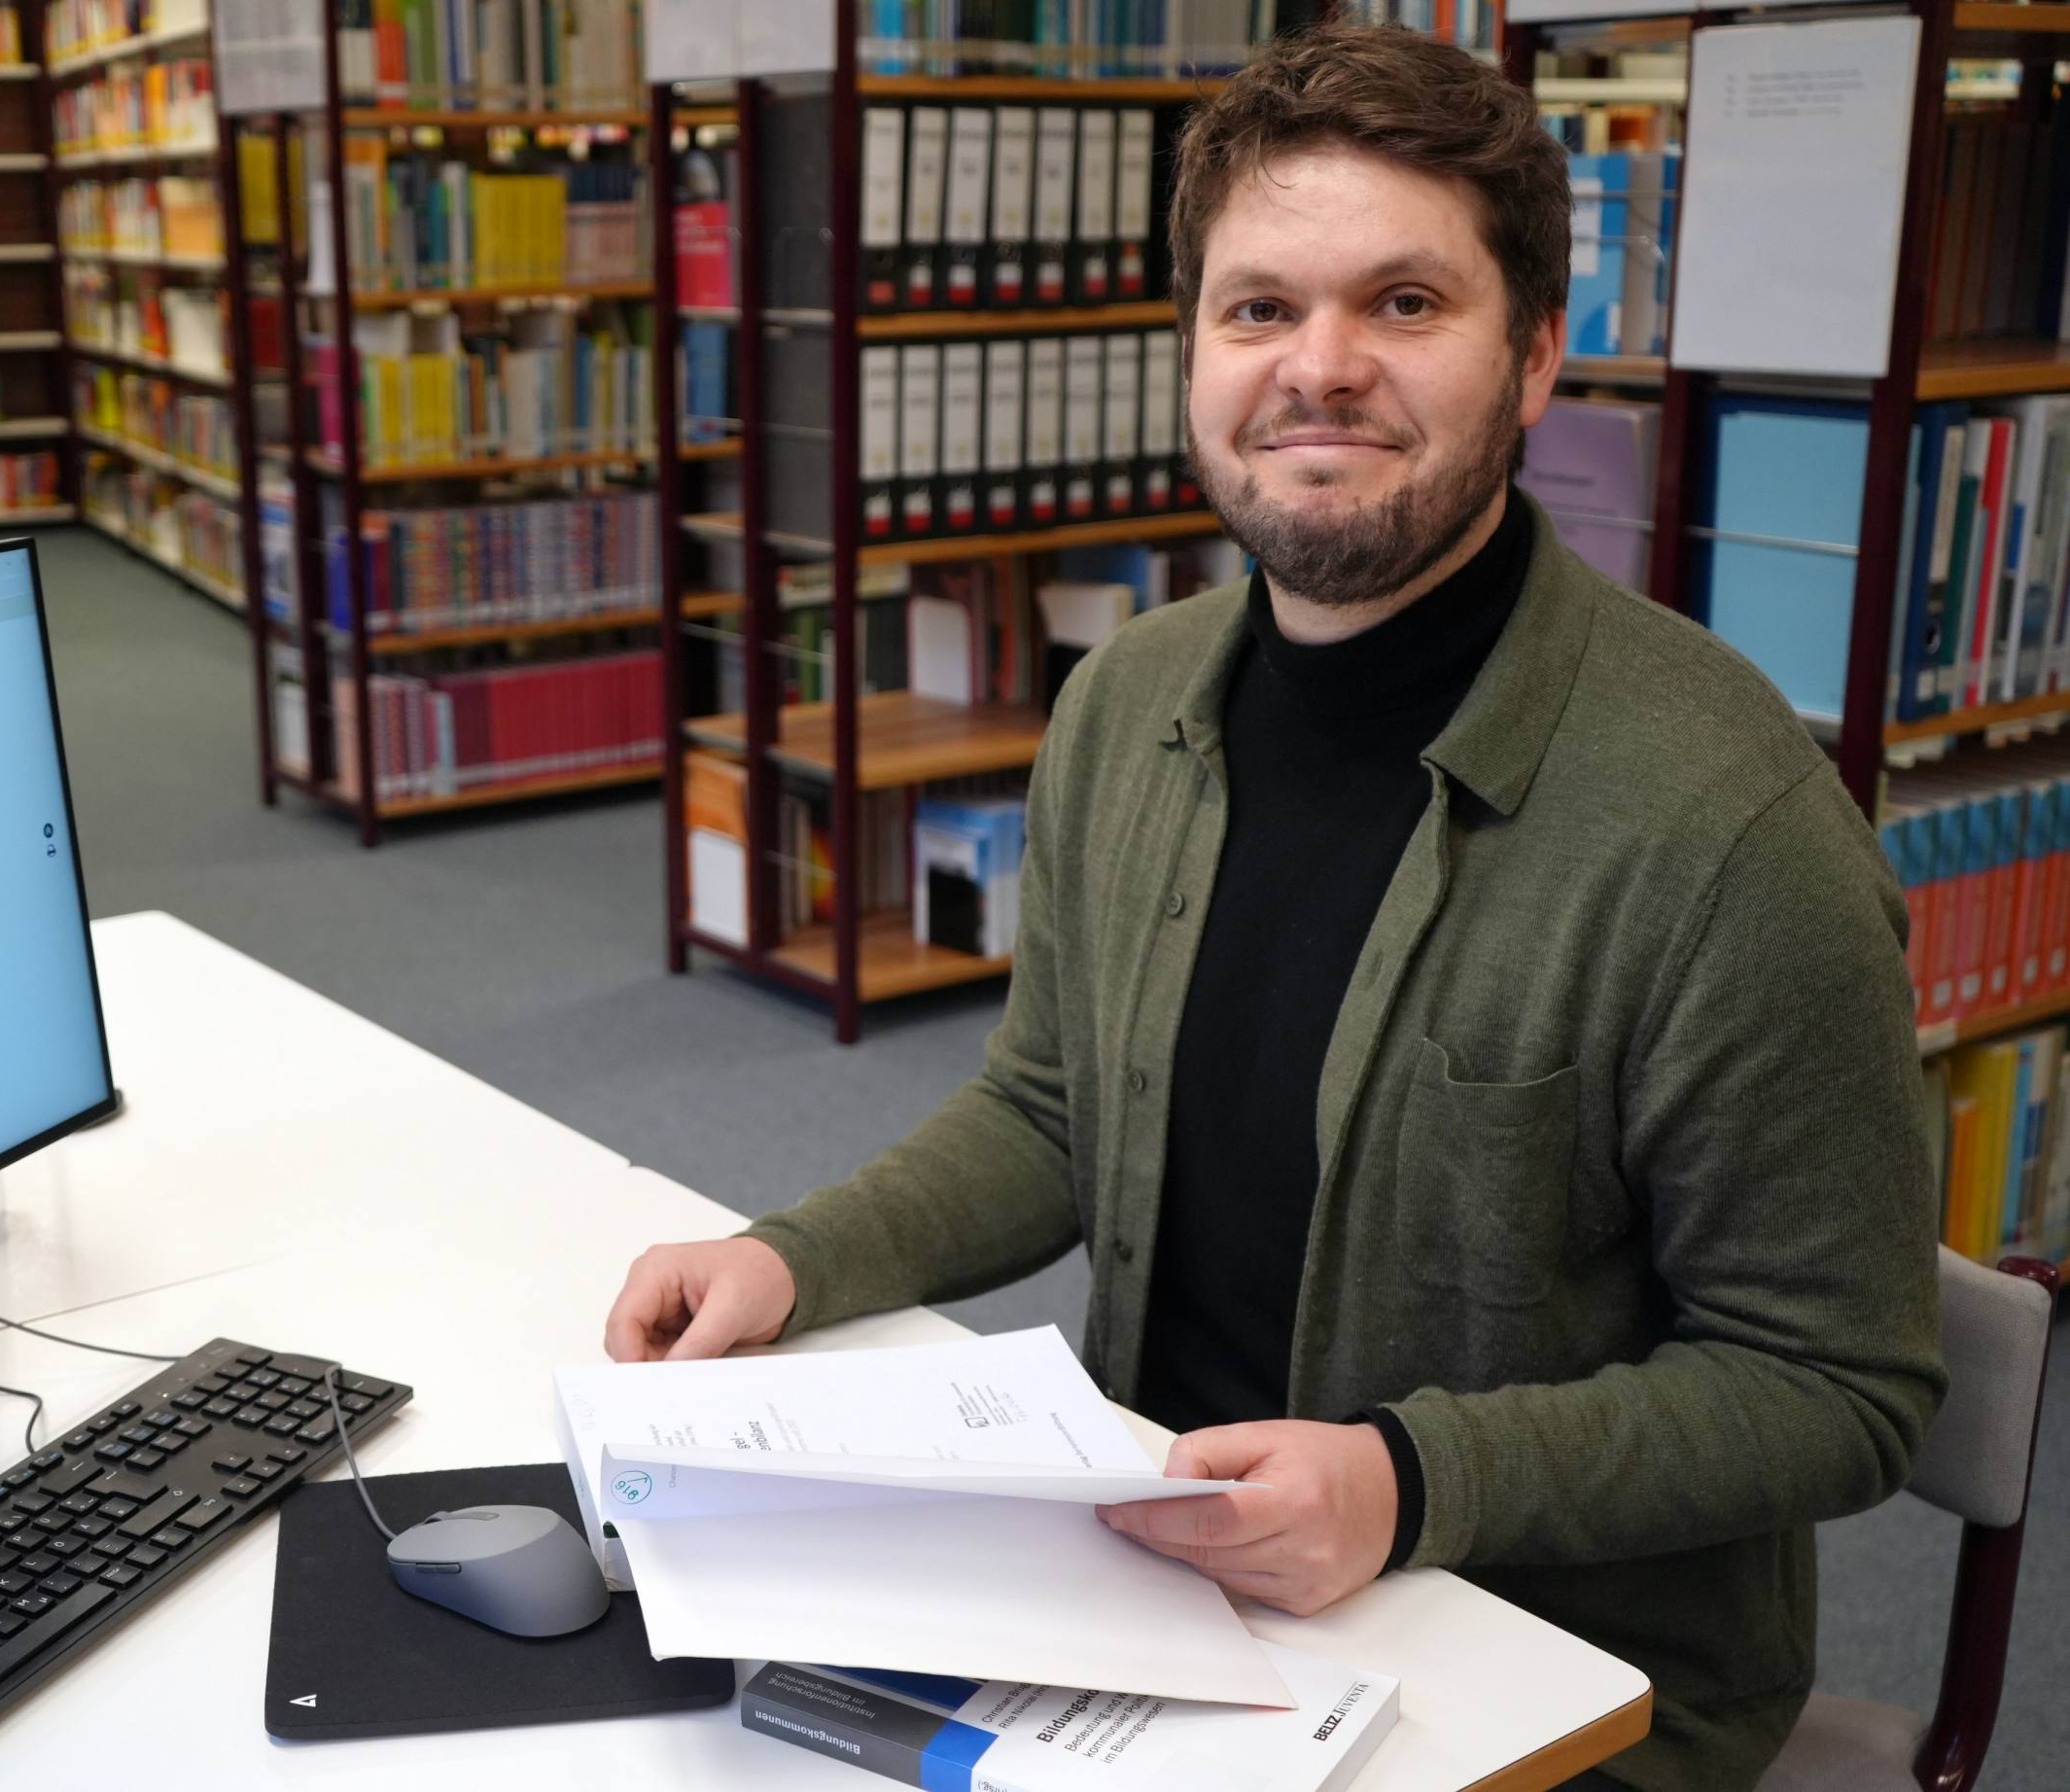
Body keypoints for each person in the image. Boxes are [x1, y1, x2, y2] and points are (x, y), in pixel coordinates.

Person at [603, 23, 1945, 1792]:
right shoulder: (1127, 699)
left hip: (1540, 1663)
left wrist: (1405, 1477)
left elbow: (1834, 1382)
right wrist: (794, 1256)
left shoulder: (1729, 825)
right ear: (1191, 353)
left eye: (1402, 304)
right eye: (1256, 310)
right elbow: (1053, 1104)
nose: (1317, 370)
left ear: (1535, 356)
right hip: (1150, 1573)